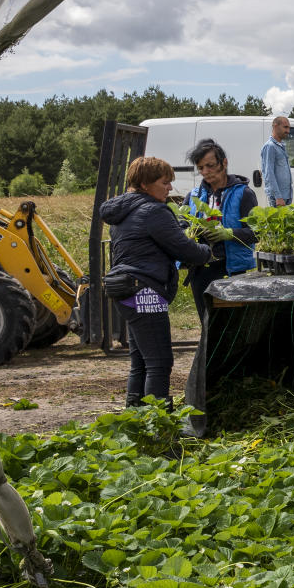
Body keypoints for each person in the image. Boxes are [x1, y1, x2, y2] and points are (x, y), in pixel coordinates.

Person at [100, 156, 214, 414]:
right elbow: (186, 250)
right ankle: (157, 422)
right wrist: (207, 250)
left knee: (141, 360)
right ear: (144, 184)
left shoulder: (123, 212)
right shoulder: (153, 211)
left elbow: (155, 241)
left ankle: (135, 416)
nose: (170, 188)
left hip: (126, 288)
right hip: (144, 290)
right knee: (160, 362)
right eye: (165, 182)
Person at [185, 139, 258, 321]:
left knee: (231, 323)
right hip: (200, 269)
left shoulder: (244, 194)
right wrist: (187, 233)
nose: (205, 172)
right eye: (201, 168)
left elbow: (256, 233)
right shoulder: (193, 196)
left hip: (231, 268)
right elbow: (181, 225)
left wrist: (230, 233)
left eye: (210, 166)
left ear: (224, 162)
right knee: (206, 320)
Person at [261, 116, 294, 207]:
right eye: (285, 127)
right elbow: (269, 173)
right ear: (275, 126)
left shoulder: (280, 146)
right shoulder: (270, 146)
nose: (288, 131)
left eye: (289, 128)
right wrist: (278, 197)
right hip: (278, 198)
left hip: (285, 196)